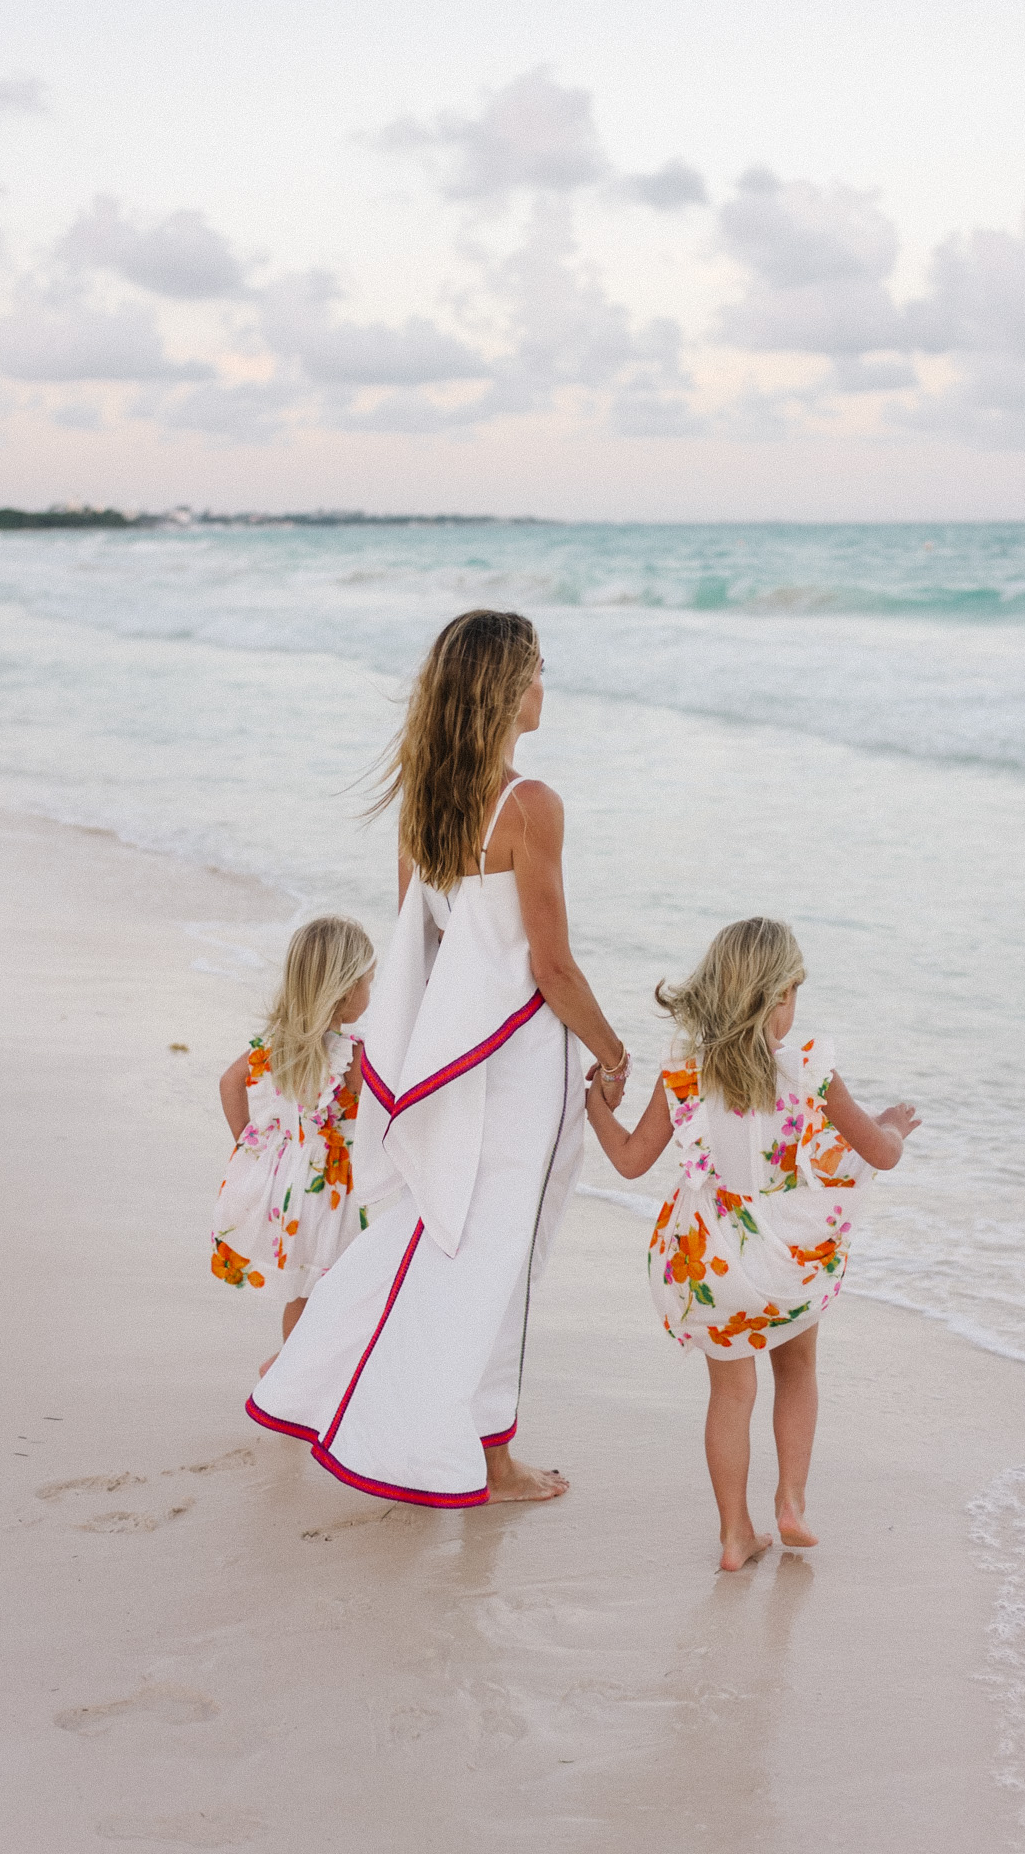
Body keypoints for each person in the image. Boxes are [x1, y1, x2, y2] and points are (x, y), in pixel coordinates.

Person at [248, 610, 629, 1506]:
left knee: (442, 1235)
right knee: (501, 1256)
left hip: (450, 1066)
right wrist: (612, 1052)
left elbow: (416, 944)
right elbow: (553, 965)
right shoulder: (528, 805)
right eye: (535, 671)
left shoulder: (425, 805)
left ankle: (336, 1392)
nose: (545, 686)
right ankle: (469, 1457)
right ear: (503, 688)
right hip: (521, 1058)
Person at [585, 916, 920, 1570]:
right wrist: (894, 1126)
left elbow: (628, 1160)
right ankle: (790, 1501)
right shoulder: (810, 1070)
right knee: (797, 1370)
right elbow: (878, 1154)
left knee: (730, 1394)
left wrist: (593, 1101)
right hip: (789, 1259)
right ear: (780, 997)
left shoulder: (682, 1073)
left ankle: (735, 1533)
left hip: (715, 1264)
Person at [214, 915, 375, 1377]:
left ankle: (292, 1365)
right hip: (328, 1192)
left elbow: (230, 1083)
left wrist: (251, 1146)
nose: (370, 991)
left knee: (307, 1285)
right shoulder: (352, 1055)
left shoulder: (272, 1044)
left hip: (285, 1187)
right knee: (328, 1284)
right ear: (345, 991)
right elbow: (380, 1114)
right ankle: (289, 1370)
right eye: (368, 981)